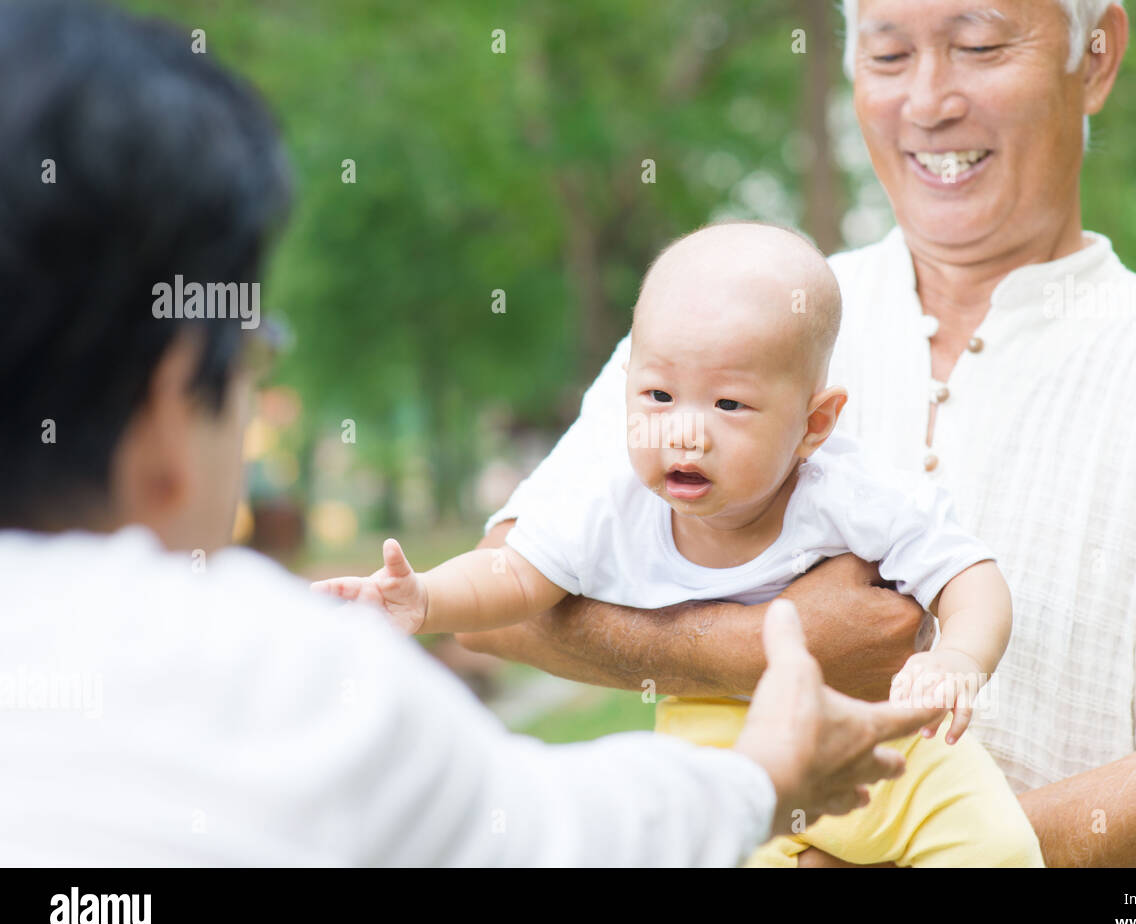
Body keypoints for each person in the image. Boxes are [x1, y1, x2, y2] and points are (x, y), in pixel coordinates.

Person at [0, 0, 943, 867]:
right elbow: (543, 831)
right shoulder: (272, 679)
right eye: (252, 350)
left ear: (816, 424)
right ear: (173, 403)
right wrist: (768, 773)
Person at [460, 0, 1136, 866]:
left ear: (1096, 56)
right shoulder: (729, 316)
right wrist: (758, 646)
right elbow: (498, 609)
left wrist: (941, 854)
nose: (929, 101)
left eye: (977, 46)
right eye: (889, 54)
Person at [314, 221, 1041, 866]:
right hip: (721, 744)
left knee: (999, 848)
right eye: (659, 397)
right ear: (627, 388)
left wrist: (956, 656)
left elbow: (969, 574)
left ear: (814, 424)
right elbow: (514, 575)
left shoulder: (846, 491)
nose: (685, 431)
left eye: (729, 404)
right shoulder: (611, 505)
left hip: (888, 742)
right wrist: (425, 597)